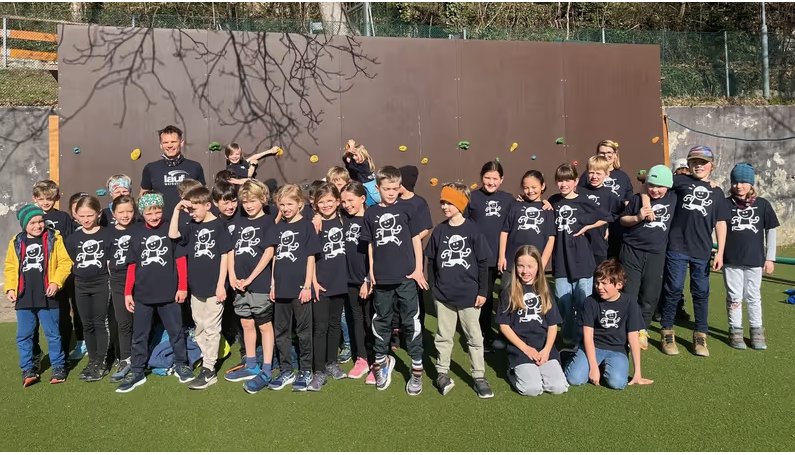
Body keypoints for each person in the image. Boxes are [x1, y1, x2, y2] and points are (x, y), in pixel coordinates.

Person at [360, 166, 428, 395]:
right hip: (381, 279)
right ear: (377, 188)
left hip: (406, 277)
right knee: (381, 320)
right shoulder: (370, 213)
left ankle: (416, 370)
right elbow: (370, 245)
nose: (390, 192)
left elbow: (416, 239)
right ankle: (381, 363)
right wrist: (371, 273)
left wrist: (418, 269)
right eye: (386, 188)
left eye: (394, 188)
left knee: (411, 322)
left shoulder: (408, 208)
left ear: (399, 188)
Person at [115, 192, 192, 393]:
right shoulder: (136, 232)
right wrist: (128, 292)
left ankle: (181, 363)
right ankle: (137, 370)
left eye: (158, 211)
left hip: (170, 294)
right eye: (149, 213)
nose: (154, 216)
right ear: (142, 213)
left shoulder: (171, 229)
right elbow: (132, 265)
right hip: (142, 294)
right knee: (139, 335)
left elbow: (180, 260)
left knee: (176, 332)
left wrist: (182, 287)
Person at [659, 146, 729, 357]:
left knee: (701, 292)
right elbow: (652, 182)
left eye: (703, 162)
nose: (699, 166)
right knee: (673, 288)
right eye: (695, 162)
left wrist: (721, 252)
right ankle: (667, 331)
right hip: (677, 245)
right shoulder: (679, 181)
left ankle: (700, 334)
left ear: (712, 165)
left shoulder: (717, 191)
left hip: (702, 249)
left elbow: (721, 222)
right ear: (688, 164)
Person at [425, 183, 494, 398]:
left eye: (449, 202)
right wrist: (434, 287)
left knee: (474, 337)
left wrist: (482, 291)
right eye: (442, 202)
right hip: (444, 296)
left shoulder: (473, 230)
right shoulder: (440, 230)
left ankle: (479, 376)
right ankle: (442, 372)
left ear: (461, 204)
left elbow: (483, 263)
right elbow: (431, 260)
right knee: (443, 336)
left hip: (469, 296)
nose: (444, 206)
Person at [169, 186, 233, 389]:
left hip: (215, 288)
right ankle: (207, 360)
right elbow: (173, 234)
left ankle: (209, 369)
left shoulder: (219, 225)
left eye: (194, 209)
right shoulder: (191, 225)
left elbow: (225, 255)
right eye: (189, 210)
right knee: (200, 327)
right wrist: (177, 209)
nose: (191, 213)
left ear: (207, 205)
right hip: (196, 287)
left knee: (212, 328)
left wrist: (221, 285)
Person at [4, 204, 72, 386]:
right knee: (24, 335)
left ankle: (58, 366)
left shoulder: (54, 238)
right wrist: (10, 288)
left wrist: (56, 282)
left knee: (53, 334)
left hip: (48, 296)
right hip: (24, 296)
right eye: (32, 222)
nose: (38, 225)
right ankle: (28, 369)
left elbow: (65, 263)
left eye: (40, 221)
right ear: (24, 224)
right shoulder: (16, 241)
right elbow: (10, 267)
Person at [564, 259, 653, 390]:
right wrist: (593, 367)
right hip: (593, 346)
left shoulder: (630, 302)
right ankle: (570, 358)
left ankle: (603, 366)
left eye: (604, 283)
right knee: (575, 379)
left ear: (619, 284)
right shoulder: (590, 302)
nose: (599, 287)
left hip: (617, 350)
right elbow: (588, 336)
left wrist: (637, 373)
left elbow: (633, 337)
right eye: (597, 283)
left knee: (617, 383)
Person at [267, 184, 321, 392]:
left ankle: (305, 370)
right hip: (281, 288)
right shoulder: (277, 227)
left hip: (300, 289)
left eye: (289, 204)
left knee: (304, 332)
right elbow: (275, 257)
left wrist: (307, 286)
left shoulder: (307, 226)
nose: (285, 208)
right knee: (281, 332)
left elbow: (310, 258)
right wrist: (273, 284)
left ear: (300, 204)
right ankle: (286, 369)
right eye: (282, 205)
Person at [224, 180, 276, 394]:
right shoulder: (239, 222)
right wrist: (233, 276)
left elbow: (269, 253)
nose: (248, 205)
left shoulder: (268, 221)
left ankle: (267, 369)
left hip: (259, 284)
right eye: (245, 202)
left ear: (262, 199)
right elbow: (231, 251)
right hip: (239, 285)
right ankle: (252, 364)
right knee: (246, 323)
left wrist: (251, 278)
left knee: (264, 325)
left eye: (252, 201)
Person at [497, 245, 568, 396]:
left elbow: (553, 325)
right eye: (521, 266)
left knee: (558, 387)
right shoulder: (508, 292)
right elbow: (504, 325)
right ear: (515, 267)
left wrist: (547, 350)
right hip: (520, 348)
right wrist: (525, 348)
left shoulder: (545, 291)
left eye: (530, 266)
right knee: (532, 389)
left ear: (538, 267)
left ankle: (538, 370)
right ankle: (513, 372)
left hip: (543, 347)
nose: (525, 271)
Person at [618, 165, 676, 350]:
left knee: (650, 294)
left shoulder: (673, 198)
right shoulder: (638, 199)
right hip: (631, 250)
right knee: (630, 292)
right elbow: (622, 220)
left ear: (668, 186)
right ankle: (628, 329)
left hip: (656, 253)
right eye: (651, 185)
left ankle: (642, 329)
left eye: (660, 186)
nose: (655, 190)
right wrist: (638, 217)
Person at [724, 163, 779, 350]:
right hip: (731, 260)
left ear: (751, 183)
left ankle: (757, 331)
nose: (738, 186)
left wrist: (770, 258)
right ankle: (735, 331)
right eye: (735, 182)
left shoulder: (763, 204)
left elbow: (771, 231)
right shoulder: (725, 204)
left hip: (755, 260)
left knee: (754, 296)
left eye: (743, 182)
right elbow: (717, 227)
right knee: (734, 297)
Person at [548, 163, 603, 348]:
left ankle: (583, 341)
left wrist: (587, 226)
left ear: (576, 181)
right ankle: (568, 338)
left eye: (568, 180)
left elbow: (606, 216)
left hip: (582, 261)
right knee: (563, 302)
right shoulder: (553, 200)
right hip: (562, 261)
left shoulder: (584, 200)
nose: (564, 184)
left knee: (582, 303)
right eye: (560, 181)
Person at [464, 160, 516, 352]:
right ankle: (484, 335)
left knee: (508, 295)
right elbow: (463, 223)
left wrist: (545, 204)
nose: (491, 182)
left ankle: (507, 334)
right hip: (481, 258)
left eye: (495, 178)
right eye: (487, 178)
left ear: (502, 179)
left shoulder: (509, 199)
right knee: (484, 298)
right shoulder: (472, 197)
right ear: (481, 177)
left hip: (504, 257)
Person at [33, 181, 82, 361]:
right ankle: (42, 350)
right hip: (42, 274)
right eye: (42, 199)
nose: (46, 202)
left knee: (67, 310)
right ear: (35, 199)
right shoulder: (32, 217)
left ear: (57, 198)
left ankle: (70, 347)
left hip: (64, 272)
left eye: (50, 198)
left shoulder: (63, 217)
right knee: (48, 313)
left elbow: (71, 242)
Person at [65, 195, 111, 382]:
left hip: (102, 283)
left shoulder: (108, 234)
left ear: (98, 213)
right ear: (75, 215)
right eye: (82, 216)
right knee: (87, 324)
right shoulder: (72, 238)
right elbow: (73, 260)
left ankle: (102, 361)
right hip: (81, 285)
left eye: (90, 215)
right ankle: (92, 360)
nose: (86, 219)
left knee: (100, 322)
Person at [308, 183, 349, 391]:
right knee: (320, 327)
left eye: (330, 201)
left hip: (339, 281)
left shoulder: (344, 221)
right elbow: (310, 257)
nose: (326, 205)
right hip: (320, 283)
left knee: (334, 324)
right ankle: (319, 370)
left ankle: (332, 362)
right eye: (321, 202)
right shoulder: (313, 224)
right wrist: (313, 281)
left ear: (338, 201)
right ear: (315, 204)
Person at [339, 181, 374, 381]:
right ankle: (362, 358)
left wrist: (367, 279)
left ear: (362, 198)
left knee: (371, 320)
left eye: (350, 200)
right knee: (356, 319)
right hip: (350, 280)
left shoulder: (371, 219)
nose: (347, 205)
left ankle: (377, 359)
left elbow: (375, 253)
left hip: (368, 280)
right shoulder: (344, 218)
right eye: (343, 201)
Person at [498, 170, 555, 278]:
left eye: (534, 187)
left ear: (542, 186)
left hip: (534, 265)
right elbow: (504, 232)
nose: (530, 191)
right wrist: (501, 257)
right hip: (511, 263)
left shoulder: (547, 210)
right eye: (526, 188)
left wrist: (542, 263)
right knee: (508, 288)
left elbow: (551, 239)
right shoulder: (515, 205)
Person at [139, 125, 206, 214]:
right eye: (165, 142)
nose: (169, 145)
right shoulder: (150, 168)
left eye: (173, 142)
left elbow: (203, 196)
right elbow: (143, 197)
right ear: (161, 145)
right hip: (160, 220)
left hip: (189, 219)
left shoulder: (195, 167)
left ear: (181, 143)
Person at [106, 194, 137, 382]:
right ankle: (126, 358)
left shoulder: (139, 229)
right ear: (113, 213)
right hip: (118, 281)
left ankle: (140, 356)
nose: (125, 215)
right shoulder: (108, 232)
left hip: (140, 279)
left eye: (129, 211)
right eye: (121, 212)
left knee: (141, 321)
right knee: (123, 322)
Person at [577, 155, 623, 266]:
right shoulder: (579, 192)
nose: (594, 176)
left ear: (606, 174)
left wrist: (607, 224)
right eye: (591, 173)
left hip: (599, 244)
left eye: (598, 173)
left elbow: (617, 214)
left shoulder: (610, 196)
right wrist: (546, 202)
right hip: (579, 243)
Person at [343, 139, 380, 206]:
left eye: (356, 155)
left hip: (369, 185)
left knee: (377, 198)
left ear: (362, 154)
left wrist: (351, 147)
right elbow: (347, 160)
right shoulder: (358, 163)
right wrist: (349, 150)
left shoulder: (365, 164)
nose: (354, 157)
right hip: (364, 185)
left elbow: (349, 162)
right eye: (353, 156)